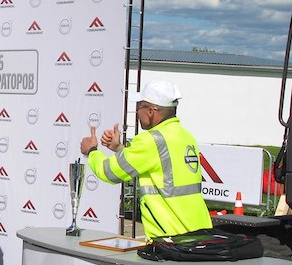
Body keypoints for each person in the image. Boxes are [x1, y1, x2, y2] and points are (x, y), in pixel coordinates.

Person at [79, 80, 211, 239]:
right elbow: (154, 165)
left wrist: (92, 151)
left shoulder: (151, 141)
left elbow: (109, 172)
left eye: (139, 107)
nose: (136, 112)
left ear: (151, 111)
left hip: (171, 238)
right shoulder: (185, 136)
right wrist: (119, 149)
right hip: (198, 231)